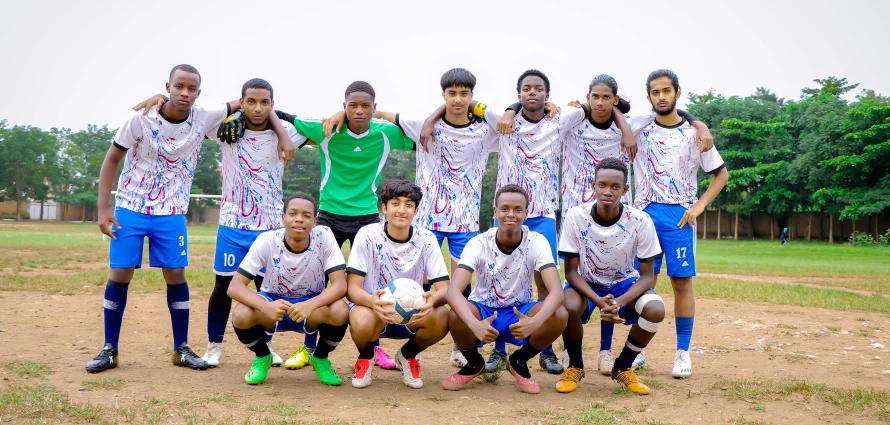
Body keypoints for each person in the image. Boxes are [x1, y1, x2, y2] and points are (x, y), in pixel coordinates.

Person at [322, 68, 498, 368]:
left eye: (464, 94)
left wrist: (479, 109)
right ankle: (375, 344)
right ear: (442, 95)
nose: (458, 99)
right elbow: (384, 115)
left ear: (473, 96)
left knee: (460, 285)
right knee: (405, 279)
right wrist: (339, 115)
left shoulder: (484, 130)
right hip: (425, 217)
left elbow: (508, 122)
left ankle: (458, 345)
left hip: (464, 221)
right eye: (451, 94)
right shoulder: (420, 126)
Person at [86, 65, 236, 373]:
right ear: (167, 86)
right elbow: (111, 159)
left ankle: (181, 348)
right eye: (178, 86)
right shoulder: (140, 120)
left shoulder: (203, 118)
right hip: (131, 207)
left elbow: (243, 102)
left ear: (198, 92)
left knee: (176, 275)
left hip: (171, 212)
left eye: (191, 88)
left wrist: (274, 114)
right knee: (121, 273)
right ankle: (109, 349)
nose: (184, 93)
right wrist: (103, 209)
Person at [561, 74, 713, 374]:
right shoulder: (575, 121)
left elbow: (669, 112)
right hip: (580, 216)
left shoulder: (642, 125)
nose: (600, 102)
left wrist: (699, 123)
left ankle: (638, 352)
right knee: (579, 287)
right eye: (595, 97)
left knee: (631, 279)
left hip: (643, 218)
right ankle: (572, 356)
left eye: (607, 97)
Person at [270, 82, 417, 371]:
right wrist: (336, 115)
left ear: (375, 108)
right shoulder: (326, 130)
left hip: (368, 218)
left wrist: (377, 115)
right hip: (328, 217)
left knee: (374, 285)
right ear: (344, 105)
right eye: (352, 105)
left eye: (366, 106)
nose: (359, 111)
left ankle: (373, 348)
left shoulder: (386, 133)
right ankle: (308, 347)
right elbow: (282, 115)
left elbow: (420, 132)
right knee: (320, 284)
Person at [200, 78, 309, 368]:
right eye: (250, 101)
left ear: (273, 105)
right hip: (233, 225)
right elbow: (195, 115)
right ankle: (214, 346)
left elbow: (320, 130)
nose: (257, 108)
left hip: (271, 226)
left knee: (266, 289)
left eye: (265, 103)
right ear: (241, 101)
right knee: (223, 287)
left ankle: (266, 346)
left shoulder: (286, 133)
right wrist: (234, 111)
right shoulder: (225, 130)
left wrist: (279, 126)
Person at [633, 69, 729, 378]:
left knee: (682, 284)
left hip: (679, 217)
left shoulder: (695, 135)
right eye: (655, 92)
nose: (661, 96)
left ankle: (682, 353)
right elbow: (610, 111)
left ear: (677, 93)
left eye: (667, 91)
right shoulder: (639, 130)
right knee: (642, 283)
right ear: (648, 97)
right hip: (644, 215)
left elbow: (721, 174)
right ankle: (638, 351)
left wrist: (699, 205)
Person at [555, 158, 666, 395]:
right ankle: (575, 365)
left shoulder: (640, 221)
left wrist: (621, 301)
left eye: (615, 187)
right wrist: (598, 302)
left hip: (624, 282)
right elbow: (571, 273)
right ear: (593, 185)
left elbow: (647, 277)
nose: (608, 192)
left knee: (656, 309)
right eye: (602, 185)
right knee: (567, 306)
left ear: (625, 190)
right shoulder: (576, 216)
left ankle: (623, 366)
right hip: (586, 282)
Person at [442, 184, 568, 394]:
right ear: (495, 212)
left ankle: (519, 361)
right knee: (456, 315)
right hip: (484, 310)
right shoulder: (478, 243)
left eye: (518, 210)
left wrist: (535, 321)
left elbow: (557, 292)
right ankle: (474, 363)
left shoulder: (537, 242)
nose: (511, 214)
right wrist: (475, 324)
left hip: (520, 313)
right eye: (505, 209)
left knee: (559, 314)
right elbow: (453, 292)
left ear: (526, 213)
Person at [227, 194, 348, 386]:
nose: (299, 219)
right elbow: (234, 287)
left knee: (340, 310)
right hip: (274, 301)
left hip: (311, 305)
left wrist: (311, 304)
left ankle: (320, 357)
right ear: (283, 218)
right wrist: (265, 307)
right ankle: (262, 356)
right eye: (293, 214)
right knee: (241, 314)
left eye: (306, 215)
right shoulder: (267, 240)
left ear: (315, 221)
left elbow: (341, 285)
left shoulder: (324, 236)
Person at [346, 180, 452, 389]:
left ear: (416, 210)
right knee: (360, 317)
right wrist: (372, 302)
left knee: (442, 315)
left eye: (409, 205)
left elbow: (445, 289)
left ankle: (407, 355)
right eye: (395, 204)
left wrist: (431, 302)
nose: (402, 210)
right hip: (374, 312)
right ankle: (366, 357)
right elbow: (352, 288)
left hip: (413, 314)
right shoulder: (368, 235)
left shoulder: (426, 239)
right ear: (384, 208)